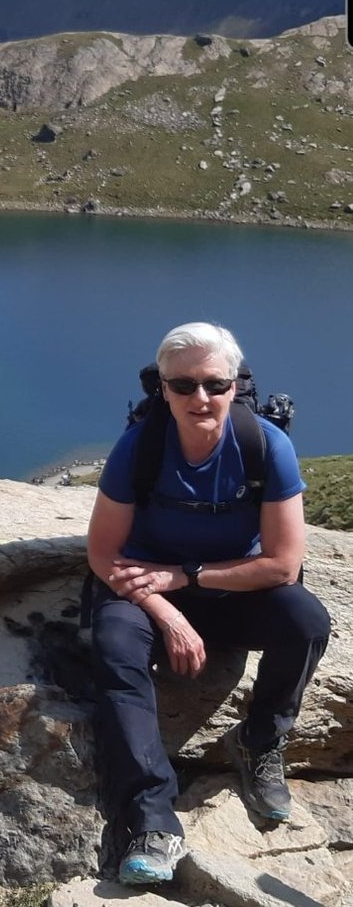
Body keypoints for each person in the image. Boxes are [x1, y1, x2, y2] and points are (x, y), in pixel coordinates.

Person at [86, 321, 331, 887]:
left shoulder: (265, 445)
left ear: (234, 386)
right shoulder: (140, 447)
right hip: (145, 590)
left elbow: (282, 566)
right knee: (115, 647)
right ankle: (151, 819)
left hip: (227, 587)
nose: (201, 398)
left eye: (215, 385)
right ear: (163, 390)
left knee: (307, 622)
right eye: (184, 385)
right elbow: (102, 554)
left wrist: (186, 575)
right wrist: (169, 612)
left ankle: (259, 740)